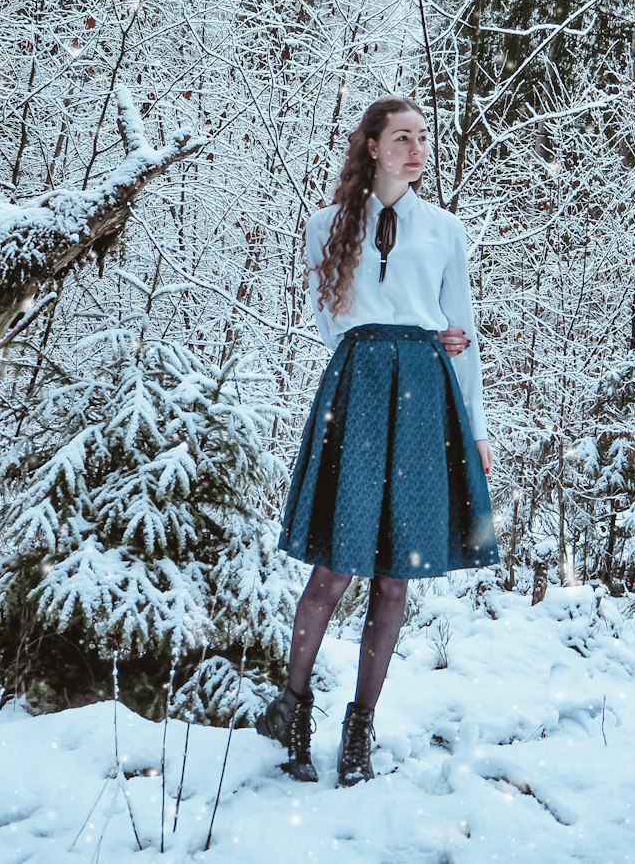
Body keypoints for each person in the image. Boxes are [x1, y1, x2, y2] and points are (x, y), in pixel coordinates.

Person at [256, 95, 499, 787]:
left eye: (423, 138)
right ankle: (292, 709)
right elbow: (332, 325)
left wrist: (475, 428)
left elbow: (464, 332)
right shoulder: (325, 226)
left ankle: (359, 730)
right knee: (335, 566)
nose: (417, 149)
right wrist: (391, 338)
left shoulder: (445, 229)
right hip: (359, 391)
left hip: (427, 400)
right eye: (402, 137)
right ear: (371, 146)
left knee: (396, 576)